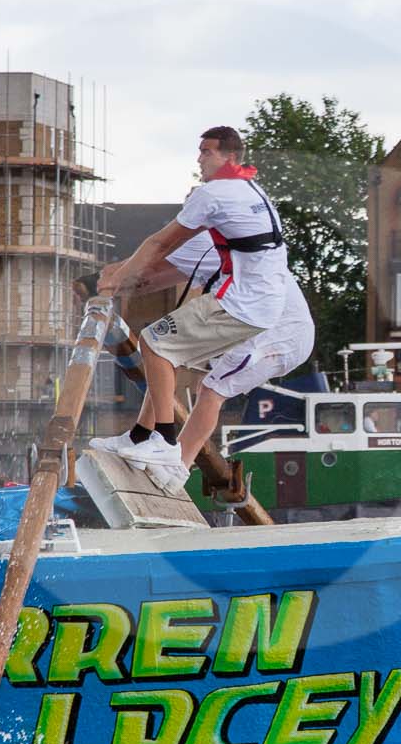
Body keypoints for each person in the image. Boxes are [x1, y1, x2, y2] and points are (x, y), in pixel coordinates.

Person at [94, 126, 296, 491]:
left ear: (229, 157)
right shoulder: (251, 188)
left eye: (206, 152)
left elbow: (158, 244)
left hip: (246, 308)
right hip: (259, 306)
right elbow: (166, 271)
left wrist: (114, 279)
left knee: (156, 345)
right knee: (170, 355)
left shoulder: (212, 194)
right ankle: (142, 438)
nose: (199, 159)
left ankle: (165, 445)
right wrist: (126, 278)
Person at [94, 217, 313, 485]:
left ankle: (176, 467)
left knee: (211, 390)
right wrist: (114, 282)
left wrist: (105, 278)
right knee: (165, 356)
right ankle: (141, 438)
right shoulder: (220, 240)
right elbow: (154, 281)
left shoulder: (206, 239)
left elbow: (148, 270)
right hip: (267, 325)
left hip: (277, 334)